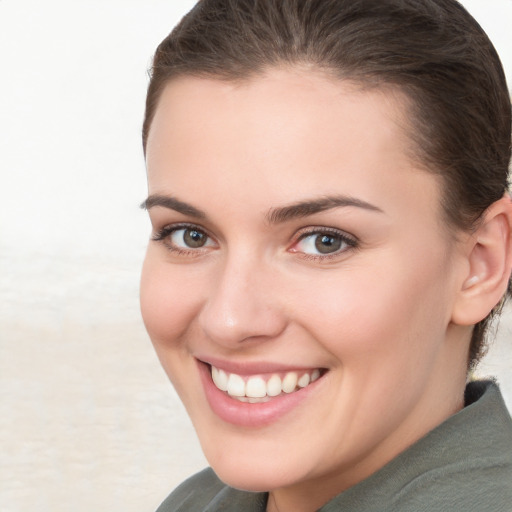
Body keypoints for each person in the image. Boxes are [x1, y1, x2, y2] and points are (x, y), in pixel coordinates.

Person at [139, 0, 512, 510]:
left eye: (323, 241)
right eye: (189, 235)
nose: (229, 320)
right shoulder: (199, 502)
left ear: (480, 264)